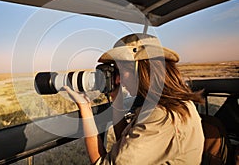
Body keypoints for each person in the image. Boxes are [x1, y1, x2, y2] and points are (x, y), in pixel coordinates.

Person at [64, 33, 205, 164]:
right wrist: (116, 98)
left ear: (141, 70)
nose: (117, 80)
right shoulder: (171, 103)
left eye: (121, 71)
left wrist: (85, 109)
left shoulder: (162, 116)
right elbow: (128, 144)